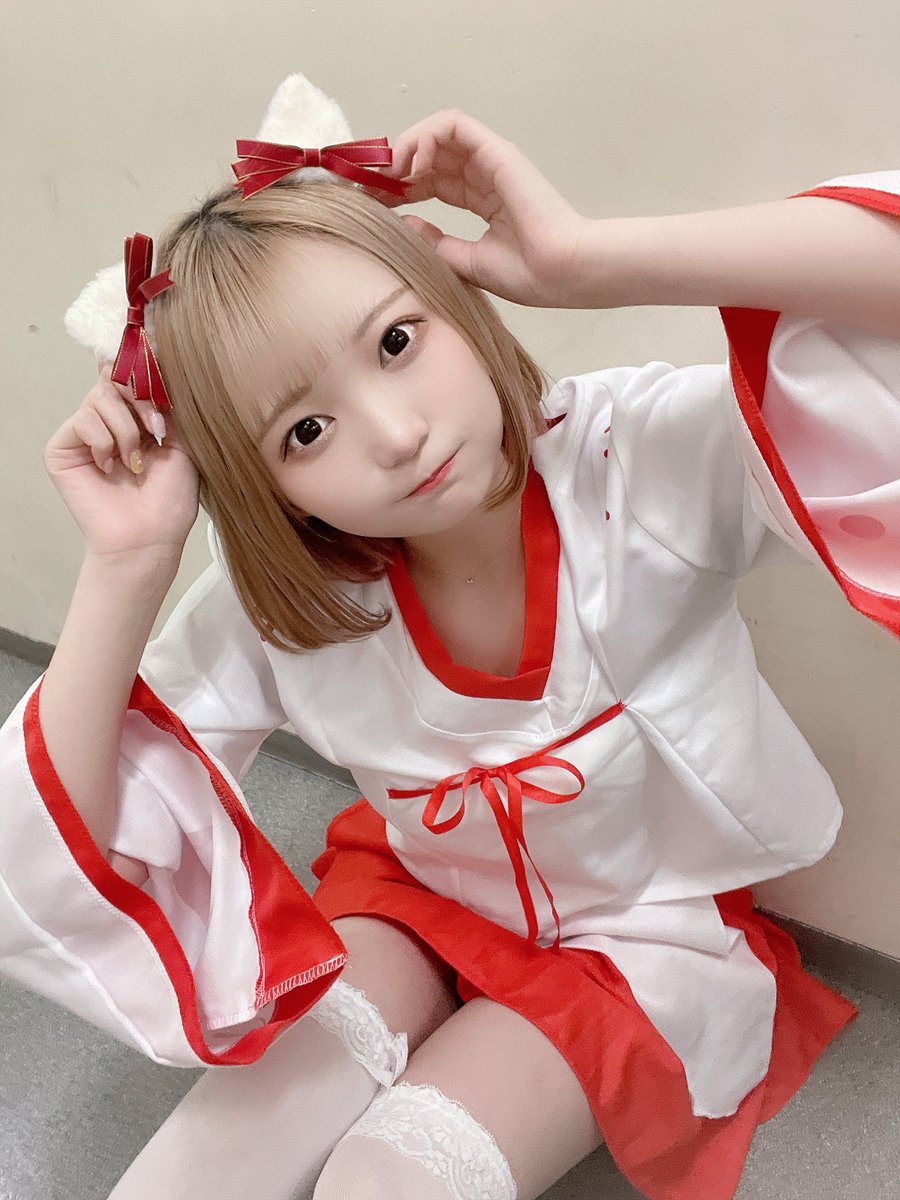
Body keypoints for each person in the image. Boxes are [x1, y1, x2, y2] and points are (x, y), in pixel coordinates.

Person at [1, 100, 898, 1200]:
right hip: (415, 899)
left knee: (382, 1184)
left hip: (644, 938)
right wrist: (127, 563)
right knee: (192, 1178)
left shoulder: (636, 464)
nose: (396, 435)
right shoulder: (292, 593)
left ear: (451, 294)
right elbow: (61, 851)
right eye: (304, 431)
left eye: (395, 342)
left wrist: (590, 259)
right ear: (265, 484)